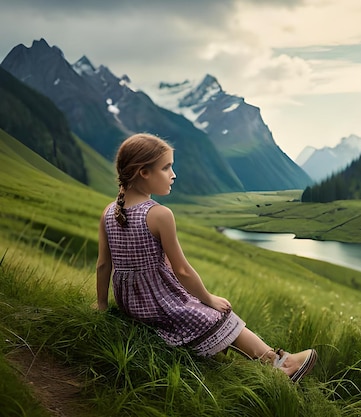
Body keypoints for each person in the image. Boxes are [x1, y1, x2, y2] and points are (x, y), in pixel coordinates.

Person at [96, 133, 317, 383]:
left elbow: (104, 265)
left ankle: (271, 360)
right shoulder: (159, 214)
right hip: (157, 301)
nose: (173, 174)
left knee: (200, 308)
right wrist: (209, 299)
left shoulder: (109, 212)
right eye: (166, 167)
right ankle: (280, 365)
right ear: (143, 172)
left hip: (131, 302)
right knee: (217, 314)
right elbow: (182, 271)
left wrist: (102, 304)